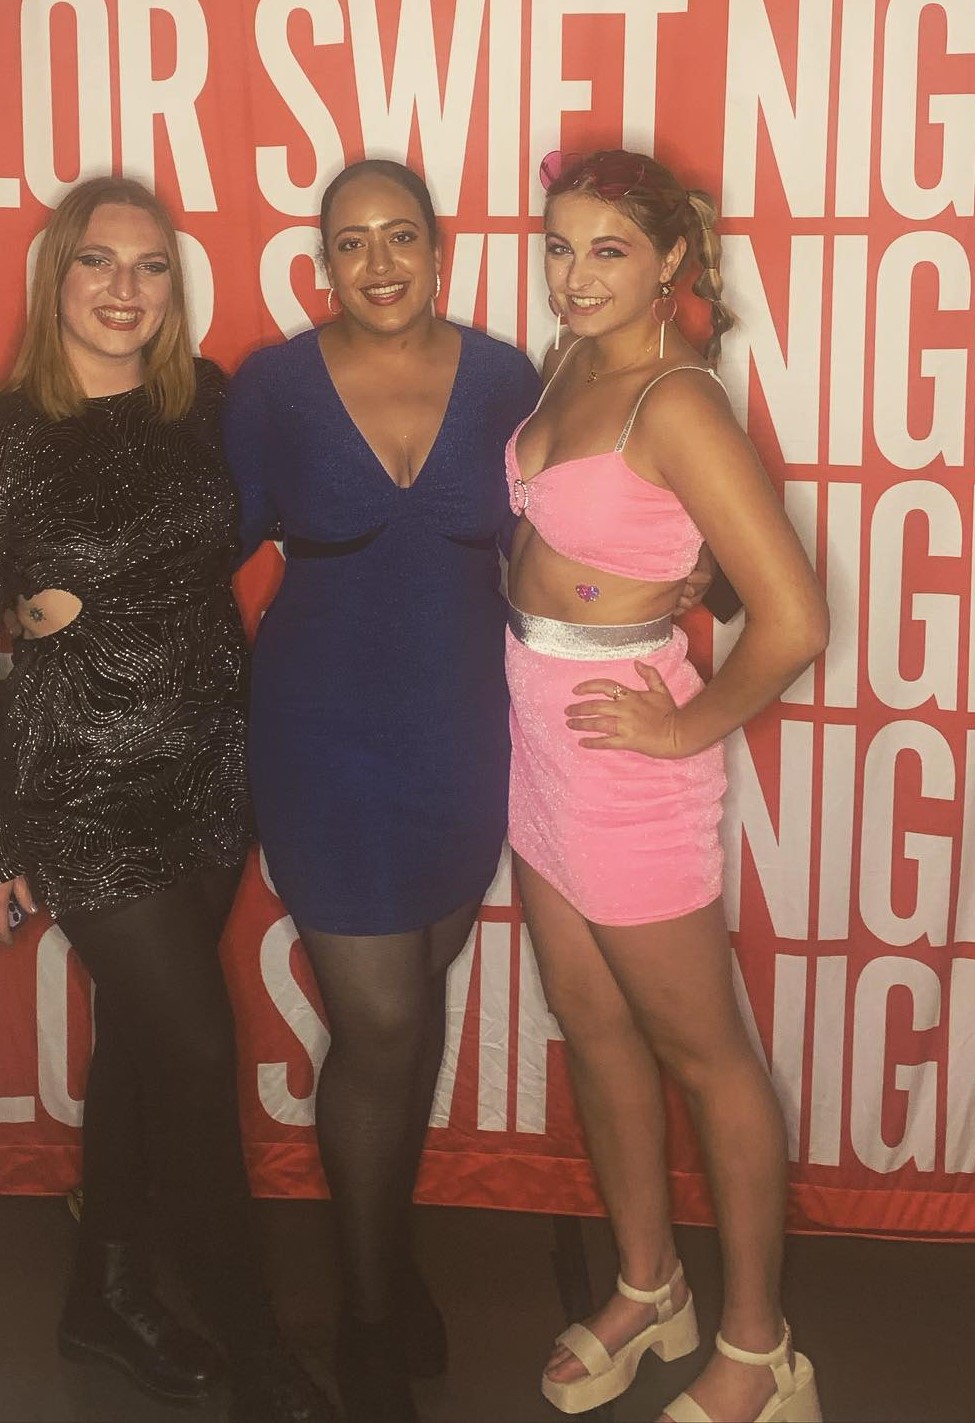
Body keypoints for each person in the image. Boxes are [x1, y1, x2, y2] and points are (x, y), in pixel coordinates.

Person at [0, 176, 333, 1423]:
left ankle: (104, 1296)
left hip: (209, 768)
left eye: (149, 266)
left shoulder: (209, 402)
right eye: (98, 261)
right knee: (195, 1055)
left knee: (145, 1048)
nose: (124, 288)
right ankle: (256, 1351)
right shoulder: (10, 433)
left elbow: (332, 496)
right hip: (83, 787)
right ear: (56, 276)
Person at [504, 149, 829, 1423]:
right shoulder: (571, 358)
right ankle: (650, 1287)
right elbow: (566, 534)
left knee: (709, 1057)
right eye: (559, 246)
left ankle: (759, 1348)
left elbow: (794, 619)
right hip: (538, 738)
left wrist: (688, 727)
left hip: (626, 764)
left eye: (608, 251)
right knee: (593, 1028)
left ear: (672, 264)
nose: (574, 276)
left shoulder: (677, 399)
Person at [223, 157, 543, 1423]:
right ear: (323, 265)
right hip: (323, 740)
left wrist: (674, 579)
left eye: (399, 235)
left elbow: (561, 526)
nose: (378, 262)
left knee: (417, 1004)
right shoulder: (273, 388)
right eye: (350, 242)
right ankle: (364, 1316)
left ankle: (385, 1250)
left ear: (438, 249)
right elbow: (202, 539)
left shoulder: (508, 377)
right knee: (386, 1027)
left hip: (464, 737)